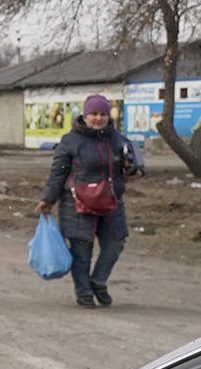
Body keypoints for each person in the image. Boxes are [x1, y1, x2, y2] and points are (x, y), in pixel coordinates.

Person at [36, 94, 133, 307]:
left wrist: (135, 171)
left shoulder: (118, 140)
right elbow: (58, 172)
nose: (98, 118)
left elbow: (132, 166)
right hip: (77, 204)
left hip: (111, 202)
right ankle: (83, 291)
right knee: (81, 251)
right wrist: (48, 199)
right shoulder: (71, 141)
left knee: (115, 243)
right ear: (85, 115)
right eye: (94, 114)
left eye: (103, 114)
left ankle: (98, 282)